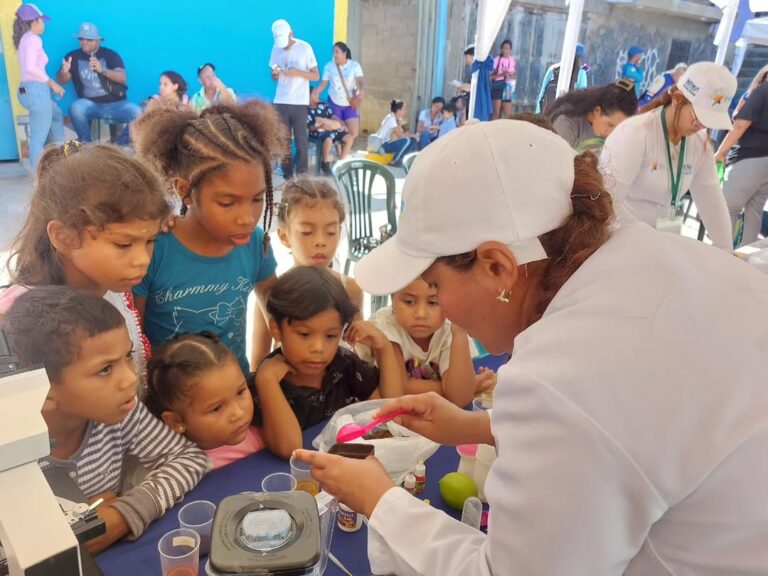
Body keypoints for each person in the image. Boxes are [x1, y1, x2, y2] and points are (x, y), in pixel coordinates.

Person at [293, 119, 768, 576]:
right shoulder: (661, 257)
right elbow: (639, 435)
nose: (440, 309)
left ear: (498, 267)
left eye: (435, 287)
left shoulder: (562, 375)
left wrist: (379, 499)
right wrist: (479, 426)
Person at [2, 287, 210, 554]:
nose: (131, 379)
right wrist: (62, 530)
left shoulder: (121, 414)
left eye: (127, 356)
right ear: (44, 391)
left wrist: (124, 513)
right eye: (105, 369)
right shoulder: (9, 452)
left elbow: (190, 459)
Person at [1, 143, 170, 394]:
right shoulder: (15, 320)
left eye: (149, 241)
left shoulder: (114, 288)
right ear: (63, 236)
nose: (142, 260)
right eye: (123, 244)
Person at [131, 100, 284, 374]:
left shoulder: (255, 244)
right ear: (184, 190)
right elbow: (133, 338)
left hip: (236, 398)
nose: (247, 217)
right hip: (169, 403)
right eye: (227, 203)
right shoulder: (155, 248)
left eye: (257, 199)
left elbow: (279, 312)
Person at [254, 266, 404, 459]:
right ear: (275, 328)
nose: (318, 347)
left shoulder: (344, 364)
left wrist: (384, 348)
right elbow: (289, 449)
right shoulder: (269, 378)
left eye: (331, 335)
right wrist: (266, 382)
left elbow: (389, 408)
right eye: (305, 334)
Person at [600, 62, 735, 250]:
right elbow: (608, 200)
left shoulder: (699, 143)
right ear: (678, 98)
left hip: (666, 235)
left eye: (708, 123)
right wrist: (648, 240)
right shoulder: (635, 133)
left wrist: (726, 252)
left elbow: (712, 203)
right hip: (623, 237)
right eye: (698, 118)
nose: (700, 127)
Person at [357, 278, 495, 407]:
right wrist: (465, 386)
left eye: (433, 302)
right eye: (409, 301)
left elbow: (460, 398)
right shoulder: (385, 324)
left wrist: (460, 334)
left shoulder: (451, 328)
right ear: (393, 298)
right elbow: (399, 390)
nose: (421, 314)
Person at [145, 333, 264, 469]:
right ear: (175, 421)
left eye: (240, 392)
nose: (238, 413)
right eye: (216, 408)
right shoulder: (181, 471)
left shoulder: (264, 430)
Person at [275, 177, 363, 312]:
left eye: (331, 232)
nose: (320, 241)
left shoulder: (351, 290)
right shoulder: (274, 292)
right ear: (284, 236)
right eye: (307, 232)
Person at [56, 22, 140, 146]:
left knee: (139, 114)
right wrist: (64, 71)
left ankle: (118, 145)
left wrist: (102, 70)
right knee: (75, 108)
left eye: (88, 39)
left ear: (98, 41)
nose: (84, 42)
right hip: (90, 105)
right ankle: (87, 145)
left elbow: (122, 77)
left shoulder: (110, 55)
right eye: (81, 39)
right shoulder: (72, 56)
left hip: (116, 104)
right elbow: (61, 80)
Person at [714, 64, 768, 247]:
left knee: (727, 208)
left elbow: (740, 125)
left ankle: (720, 255)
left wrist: (721, 152)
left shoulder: (763, 91)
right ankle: (745, 260)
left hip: (750, 158)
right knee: (754, 212)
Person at [12, 3, 64, 169]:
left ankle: (62, 157)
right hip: (35, 89)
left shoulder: (23, 39)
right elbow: (30, 68)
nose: (44, 24)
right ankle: (37, 177)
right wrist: (52, 83)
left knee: (56, 114)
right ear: (34, 22)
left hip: (24, 89)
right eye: (42, 21)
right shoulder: (34, 40)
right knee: (38, 137)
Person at [270, 19, 319, 179]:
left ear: (291, 33)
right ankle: (287, 175)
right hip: (281, 100)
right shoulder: (276, 48)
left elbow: (315, 75)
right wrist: (275, 74)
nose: (282, 45)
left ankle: (302, 174)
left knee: (301, 141)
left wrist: (297, 72)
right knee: (283, 140)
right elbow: (273, 75)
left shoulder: (305, 48)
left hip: (299, 101)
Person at [545, 79, 638, 152]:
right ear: (597, 110)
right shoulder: (566, 122)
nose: (610, 133)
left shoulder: (618, 136)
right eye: (609, 125)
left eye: (619, 128)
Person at [312, 41, 364, 159]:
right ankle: (342, 157)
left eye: (337, 52)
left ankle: (341, 155)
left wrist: (361, 91)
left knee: (353, 132)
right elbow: (323, 83)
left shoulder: (354, 65)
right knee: (339, 129)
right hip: (334, 104)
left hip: (349, 104)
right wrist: (316, 92)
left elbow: (361, 81)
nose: (334, 54)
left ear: (344, 53)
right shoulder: (329, 66)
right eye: (333, 52)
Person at [536, 43, 588, 114]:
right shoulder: (581, 73)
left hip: (549, 112)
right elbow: (582, 97)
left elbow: (542, 94)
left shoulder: (553, 69)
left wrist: (538, 113)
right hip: (567, 115)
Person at [307, 92, 348, 176]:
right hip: (319, 132)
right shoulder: (306, 110)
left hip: (331, 128)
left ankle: (342, 163)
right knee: (328, 139)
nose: (318, 95)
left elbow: (332, 116)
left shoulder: (323, 105)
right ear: (309, 97)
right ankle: (324, 164)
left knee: (349, 138)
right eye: (315, 94)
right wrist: (320, 126)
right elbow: (310, 127)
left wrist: (341, 122)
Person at [375, 99, 417, 167]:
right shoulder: (391, 118)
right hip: (383, 146)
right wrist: (413, 135)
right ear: (398, 110)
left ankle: (402, 159)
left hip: (389, 143)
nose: (405, 111)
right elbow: (400, 135)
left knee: (412, 140)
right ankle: (394, 161)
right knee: (406, 140)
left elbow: (405, 131)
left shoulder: (396, 118)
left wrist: (402, 124)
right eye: (404, 109)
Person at [490, 39, 516, 120]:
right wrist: (501, 75)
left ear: (510, 50)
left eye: (507, 48)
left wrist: (509, 76)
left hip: (508, 88)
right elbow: (490, 77)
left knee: (507, 114)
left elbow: (514, 76)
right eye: (503, 48)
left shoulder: (512, 60)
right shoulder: (496, 60)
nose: (504, 50)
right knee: (496, 113)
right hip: (497, 87)